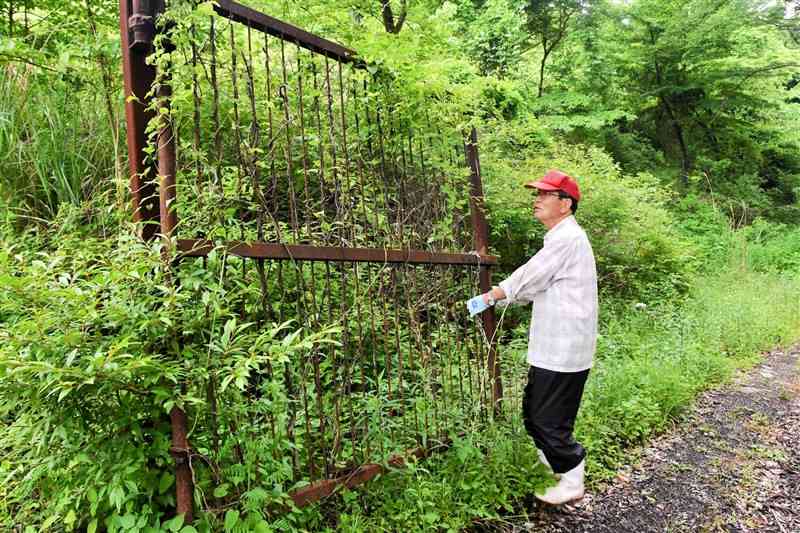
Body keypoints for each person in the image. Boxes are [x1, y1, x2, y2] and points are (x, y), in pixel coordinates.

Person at [477, 169, 598, 505]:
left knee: (546, 417)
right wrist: (506, 294)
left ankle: (572, 474)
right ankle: (551, 470)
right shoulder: (561, 238)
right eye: (538, 194)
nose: (537, 200)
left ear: (566, 204)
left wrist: (490, 296)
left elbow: (530, 277)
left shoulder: (567, 238)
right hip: (555, 345)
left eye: (546, 195)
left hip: (564, 346)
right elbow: (535, 283)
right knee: (535, 411)